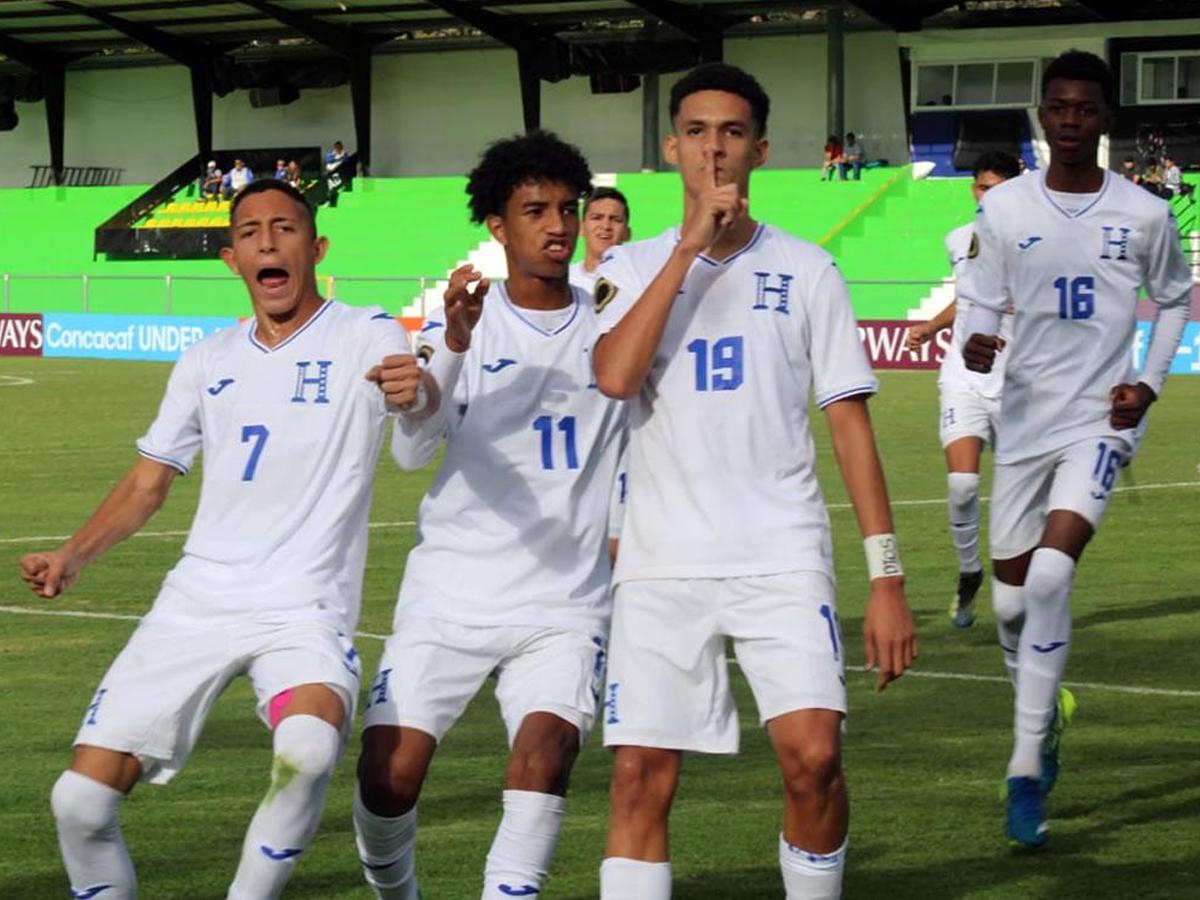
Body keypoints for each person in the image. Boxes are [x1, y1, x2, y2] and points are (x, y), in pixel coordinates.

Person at [20, 178, 425, 899]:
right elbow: (150, 480)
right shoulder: (205, 360)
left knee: (306, 748)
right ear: (231, 259)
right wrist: (72, 554)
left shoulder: (365, 330)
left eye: (285, 228)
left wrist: (413, 391)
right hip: (196, 601)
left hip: (304, 607)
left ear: (316, 246)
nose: (267, 241)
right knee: (77, 803)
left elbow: (410, 391)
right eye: (249, 233)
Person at [591, 62, 917, 900]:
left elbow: (849, 425)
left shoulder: (809, 270)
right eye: (696, 132)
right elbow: (614, 376)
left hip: (781, 552)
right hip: (662, 563)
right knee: (638, 777)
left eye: (732, 133)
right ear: (671, 148)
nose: (714, 149)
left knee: (815, 762)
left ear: (760, 150)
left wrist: (886, 577)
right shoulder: (626, 268)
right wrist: (690, 250)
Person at [352, 130, 627, 900]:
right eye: (535, 210)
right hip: (451, 593)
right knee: (389, 776)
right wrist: (454, 347)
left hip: (564, 600)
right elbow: (413, 450)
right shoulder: (458, 319)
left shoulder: (613, 323)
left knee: (545, 758)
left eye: (569, 209)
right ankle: (396, 890)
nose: (559, 226)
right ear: (498, 226)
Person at [959, 49, 1192, 849]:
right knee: (1012, 604)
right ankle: (1045, 712)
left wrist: (1149, 385)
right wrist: (978, 344)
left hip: (1101, 419)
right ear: (1042, 115)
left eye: (1084, 109)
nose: (1069, 120)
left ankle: (1024, 770)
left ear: (1104, 120)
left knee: (1054, 574)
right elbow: (978, 309)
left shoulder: (1146, 214)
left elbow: (1175, 299)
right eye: (1057, 107)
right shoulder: (1006, 212)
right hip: (1023, 425)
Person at [904, 150, 1021, 628]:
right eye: (980, 186)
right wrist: (932, 327)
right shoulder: (958, 240)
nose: (985, 195)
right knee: (963, 483)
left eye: (995, 188)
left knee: (1021, 499)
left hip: (1018, 386)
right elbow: (966, 296)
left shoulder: (1038, 243)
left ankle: (1017, 585)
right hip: (963, 379)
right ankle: (970, 570)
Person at [570, 186, 632, 293]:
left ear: (627, 234)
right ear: (580, 228)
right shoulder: (564, 280)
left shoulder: (639, 282)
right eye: (597, 218)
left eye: (616, 220)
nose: (606, 226)